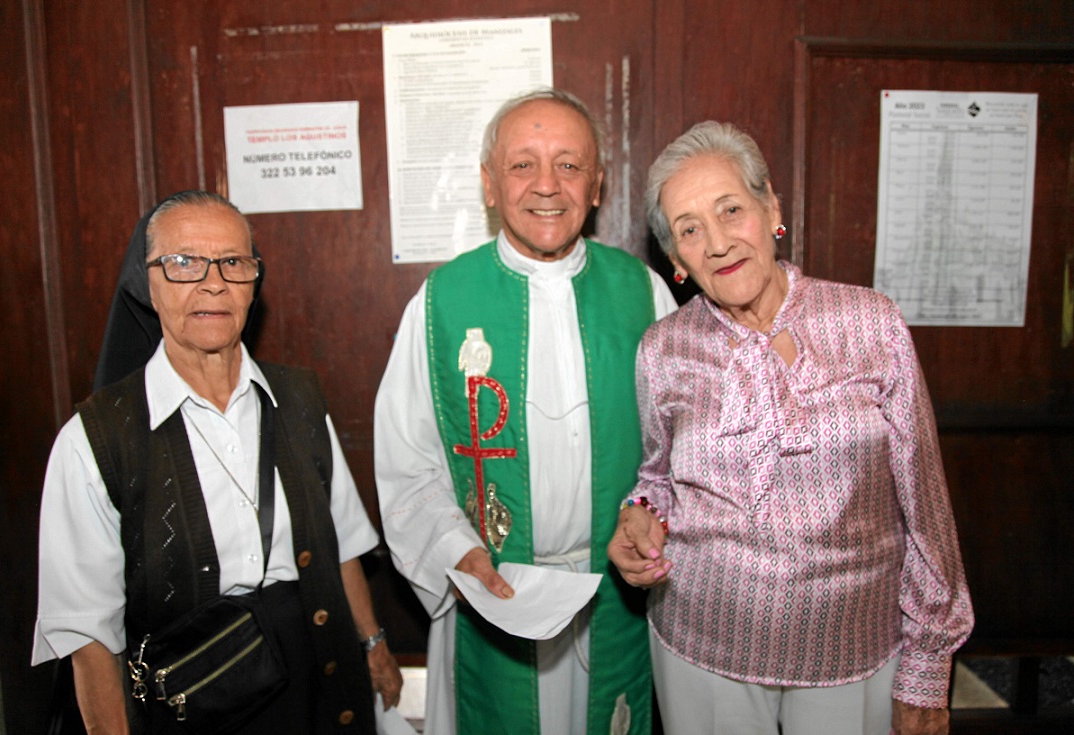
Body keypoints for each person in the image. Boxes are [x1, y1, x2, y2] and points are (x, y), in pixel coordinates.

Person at [607, 121, 974, 735]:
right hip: (703, 647)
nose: (718, 243)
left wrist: (928, 665)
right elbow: (656, 479)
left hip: (854, 648)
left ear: (771, 207)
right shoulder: (662, 349)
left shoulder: (871, 324)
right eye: (690, 230)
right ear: (674, 258)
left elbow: (926, 506)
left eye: (731, 210)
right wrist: (637, 515)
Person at [33, 190, 403, 733]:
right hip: (192, 694)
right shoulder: (95, 439)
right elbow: (88, 636)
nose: (213, 282)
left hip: (317, 673)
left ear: (254, 282)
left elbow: (341, 543)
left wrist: (373, 645)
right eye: (183, 263)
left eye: (233, 262)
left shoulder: (299, 401)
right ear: (147, 282)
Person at [374, 88, 677, 735]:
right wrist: (459, 554)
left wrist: (650, 522)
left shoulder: (644, 293)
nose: (547, 185)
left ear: (597, 185)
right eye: (522, 164)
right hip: (492, 590)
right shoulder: (440, 304)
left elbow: (681, 449)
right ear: (489, 184)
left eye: (569, 164)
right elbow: (408, 464)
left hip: (613, 597)